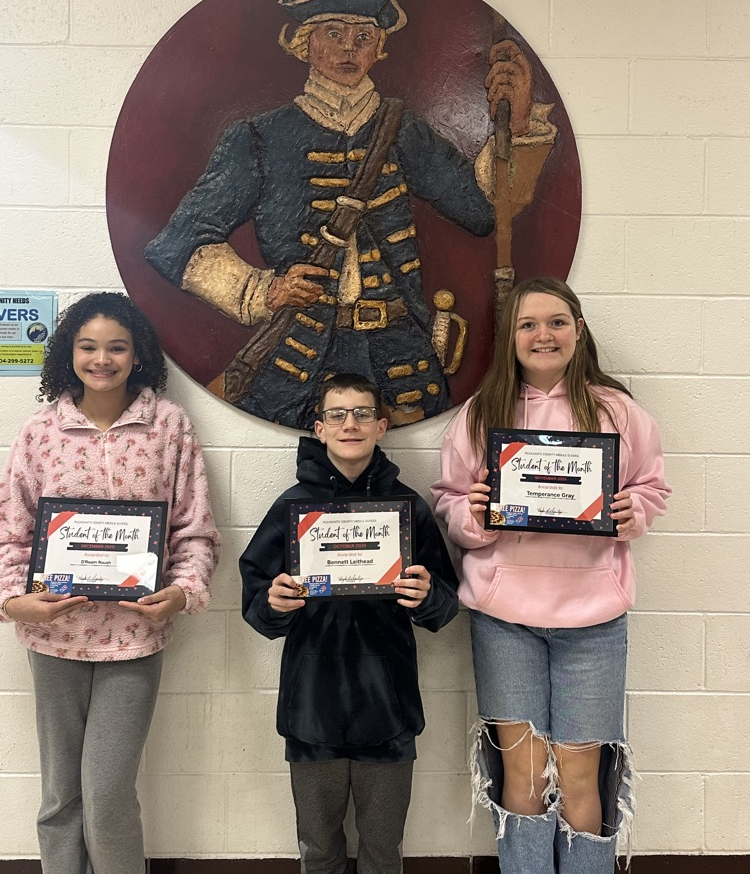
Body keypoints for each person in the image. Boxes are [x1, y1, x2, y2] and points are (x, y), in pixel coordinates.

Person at [144, 0, 556, 430]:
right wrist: (263, 291)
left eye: (362, 37)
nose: (348, 49)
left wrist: (519, 123)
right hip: (298, 355)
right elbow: (178, 243)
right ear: (304, 44)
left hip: (401, 354)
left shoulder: (401, 128)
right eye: (333, 33)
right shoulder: (259, 138)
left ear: (380, 47)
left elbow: (483, 211)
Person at [431, 277, 670, 873]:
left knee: (583, 774)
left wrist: (629, 511)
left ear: (578, 330)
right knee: (525, 775)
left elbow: (652, 488)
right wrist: (478, 516)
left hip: (593, 622)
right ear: (509, 337)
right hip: (504, 621)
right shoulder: (479, 415)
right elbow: (448, 504)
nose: (544, 335)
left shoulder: (617, 410)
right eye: (528, 324)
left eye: (557, 322)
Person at [0, 292, 220, 874]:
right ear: (68, 353)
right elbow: (11, 533)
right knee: (59, 798)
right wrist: (16, 602)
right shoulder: (39, 433)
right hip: (54, 641)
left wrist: (182, 591)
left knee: (107, 794)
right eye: (88, 346)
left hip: (133, 640)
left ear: (138, 354)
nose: (103, 359)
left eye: (117, 347)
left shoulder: (169, 426)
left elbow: (195, 530)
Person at [239, 372, 459, 874]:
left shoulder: (408, 508)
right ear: (319, 428)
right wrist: (273, 603)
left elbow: (445, 602)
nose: (350, 424)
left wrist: (426, 597)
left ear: (382, 426)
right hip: (311, 709)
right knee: (318, 853)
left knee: (383, 854)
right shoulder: (292, 508)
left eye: (362, 413)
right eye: (337, 414)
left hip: (389, 708)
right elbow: (255, 599)